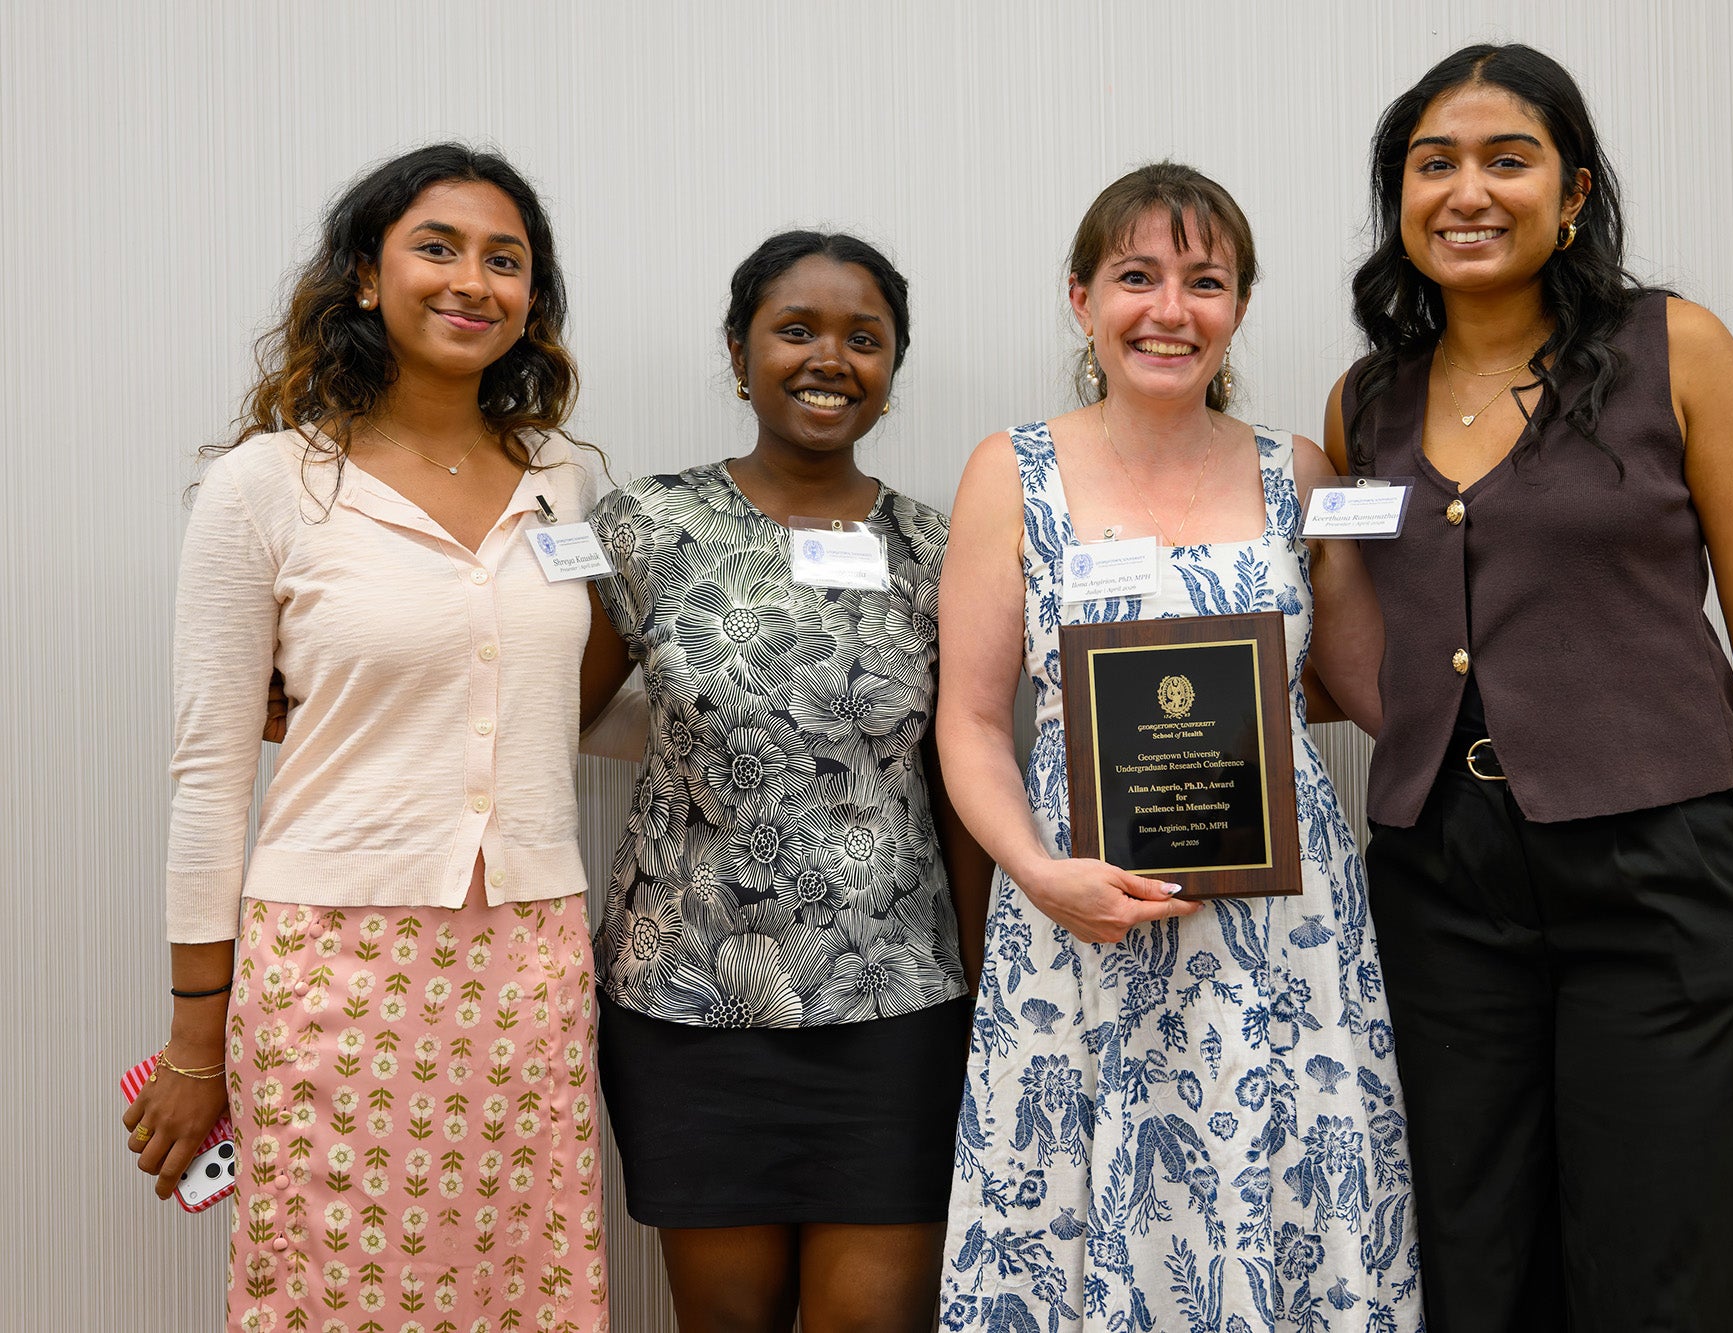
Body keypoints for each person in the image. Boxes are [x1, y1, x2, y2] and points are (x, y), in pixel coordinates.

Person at [1325, 44, 1733, 1332]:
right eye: (1431, 163)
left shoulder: (1678, 350)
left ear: (1571, 195)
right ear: (1397, 197)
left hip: (1655, 876)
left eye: (1508, 159)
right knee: (1467, 1259)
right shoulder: (1362, 402)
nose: (1467, 191)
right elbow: (1356, 654)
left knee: (1662, 1266)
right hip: (1439, 886)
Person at [126, 143, 611, 1332]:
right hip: (335, 965)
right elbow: (206, 769)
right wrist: (197, 1039)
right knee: (335, 1287)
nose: (473, 281)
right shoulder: (269, 485)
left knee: (519, 1281)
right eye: (436, 247)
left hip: (530, 955)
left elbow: (578, 705)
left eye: (506, 260)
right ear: (362, 276)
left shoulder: (566, 480)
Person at [936, 163, 1423, 1331]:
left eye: (1203, 282)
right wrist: (1039, 873)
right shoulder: (1011, 472)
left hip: (1282, 935)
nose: (1169, 310)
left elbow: (1372, 692)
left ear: (1239, 307)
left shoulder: (1295, 471)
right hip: (1077, 915)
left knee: (1290, 1204)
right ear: (1079, 297)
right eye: (1135, 277)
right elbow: (967, 719)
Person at [578, 231, 991, 1333]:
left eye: (864, 338)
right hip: (687, 1003)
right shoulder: (644, 527)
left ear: (892, 367)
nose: (830, 359)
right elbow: (539, 717)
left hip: (895, 1004)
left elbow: (962, 779)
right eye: (796, 329)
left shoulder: (935, 547)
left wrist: (982, 980)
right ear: (737, 350)